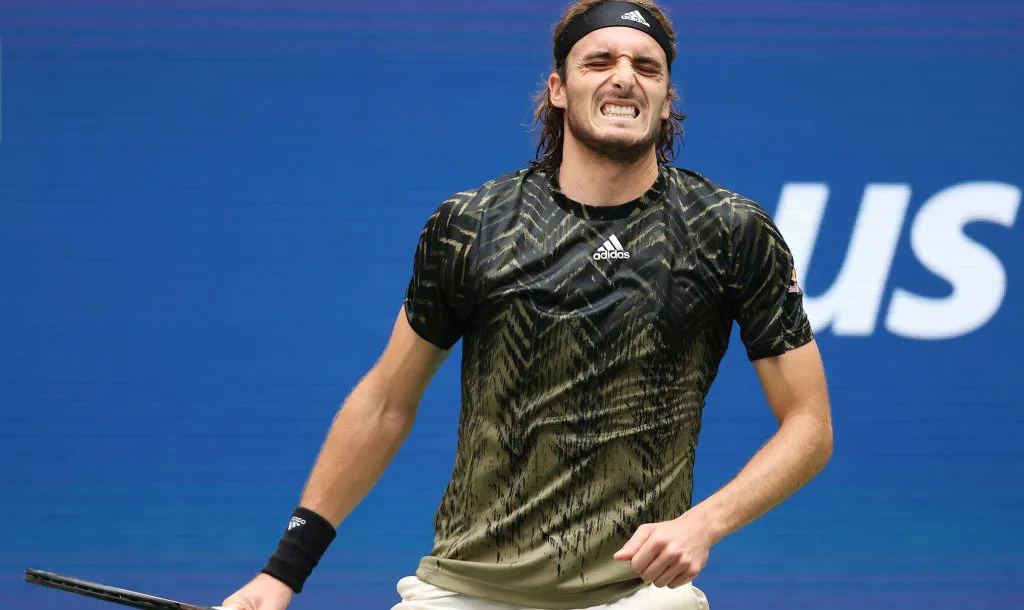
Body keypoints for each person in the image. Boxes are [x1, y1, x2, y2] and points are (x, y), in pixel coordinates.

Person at [220, 1, 834, 609]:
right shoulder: (472, 225)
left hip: (638, 595)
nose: (625, 77)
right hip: (464, 587)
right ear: (558, 89)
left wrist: (705, 523)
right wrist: (282, 572)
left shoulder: (728, 230)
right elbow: (384, 403)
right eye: (599, 61)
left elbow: (809, 424)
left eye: (647, 67)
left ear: (667, 99)